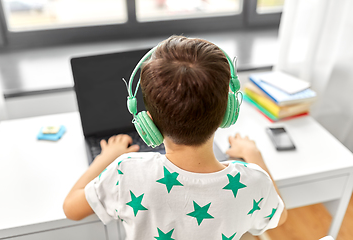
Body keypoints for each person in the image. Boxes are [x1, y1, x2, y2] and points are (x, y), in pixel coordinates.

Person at [63, 36, 288, 240]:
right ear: (229, 111)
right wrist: (253, 156)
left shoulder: (125, 172)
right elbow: (281, 215)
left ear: (148, 123)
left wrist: (105, 158)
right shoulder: (253, 181)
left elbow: (71, 208)